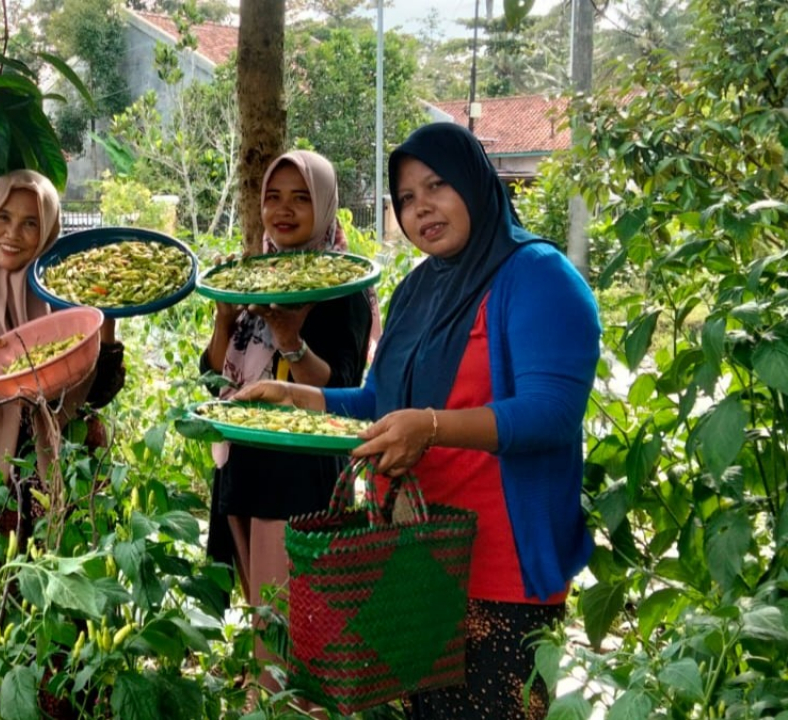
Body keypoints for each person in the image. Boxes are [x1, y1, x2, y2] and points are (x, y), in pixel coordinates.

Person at [236, 122, 601, 718]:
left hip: (500, 575)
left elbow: (551, 414)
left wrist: (431, 428)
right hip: (410, 561)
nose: (420, 206)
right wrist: (310, 398)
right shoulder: (415, 291)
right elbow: (382, 402)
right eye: (405, 198)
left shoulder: (538, 276)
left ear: (477, 183)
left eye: (437, 185)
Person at [202, 150, 375, 691]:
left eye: (301, 197)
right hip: (245, 461)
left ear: (324, 206)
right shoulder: (252, 278)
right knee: (264, 619)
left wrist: (291, 339)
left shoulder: (343, 289)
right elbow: (214, 374)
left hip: (299, 475)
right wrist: (225, 318)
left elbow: (343, 385)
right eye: (273, 197)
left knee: (295, 632)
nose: (284, 209)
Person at [0, 169, 125, 539]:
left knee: (74, 575)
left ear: (48, 231)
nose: (13, 233)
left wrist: (106, 323)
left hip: (74, 460)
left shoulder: (69, 294)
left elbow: (101, 392)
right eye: (3, 217)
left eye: (31, 223)